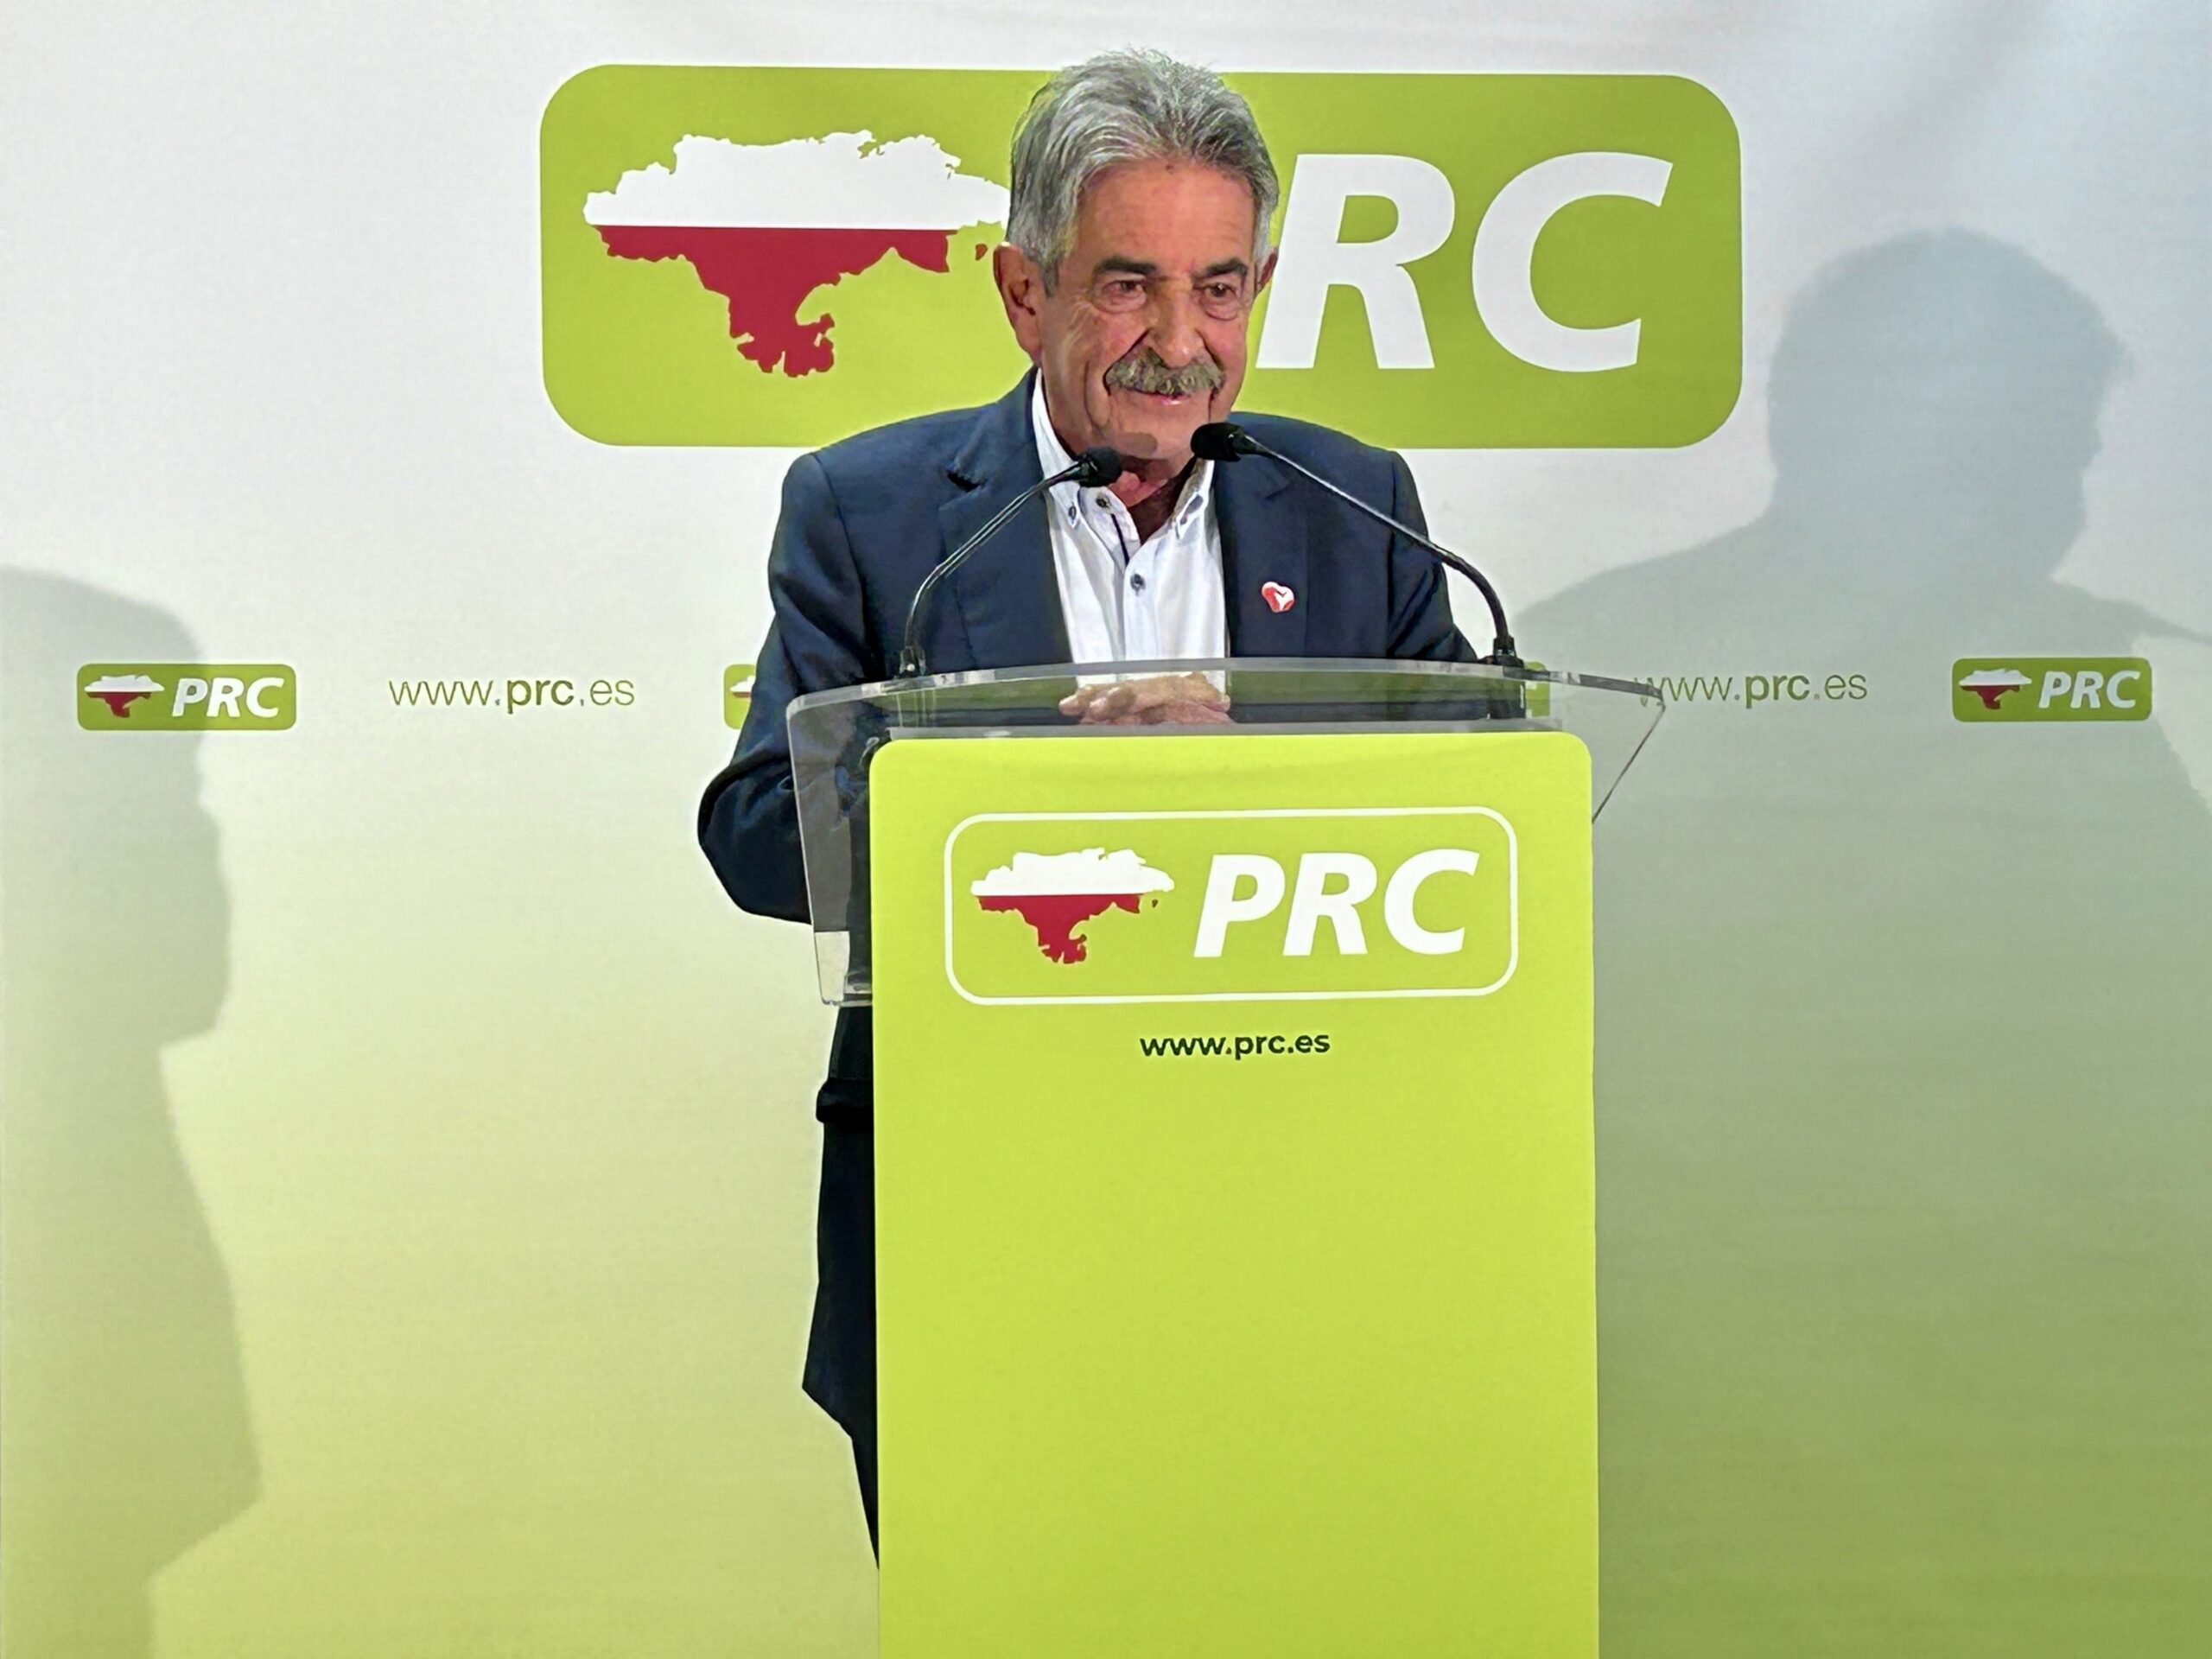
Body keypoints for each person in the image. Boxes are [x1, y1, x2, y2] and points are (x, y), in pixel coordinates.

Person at [698, 48, 1472, 1549]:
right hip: (974, 1210)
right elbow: (756, 834)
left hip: (1307, 1202)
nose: (1180, 343)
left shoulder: (1355, 505)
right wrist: (1042, 779)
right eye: (1128, 285)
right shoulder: (870, 511)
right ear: (1024, 290)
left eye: (1221, 288)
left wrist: (1249, 761)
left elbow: (1475, 801)